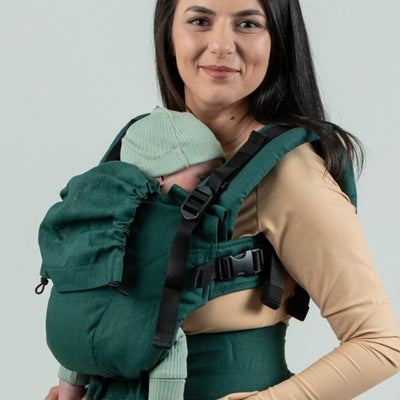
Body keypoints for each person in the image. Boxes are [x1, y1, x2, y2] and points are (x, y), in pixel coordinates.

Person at [46, 0, 400, 399]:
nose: (220, 45)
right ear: (169, 33)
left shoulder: (288, 172)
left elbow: (380, 344)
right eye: (199, 20)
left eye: (247, 24)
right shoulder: (141, 146)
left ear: (278, 39)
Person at [52, 106, 225, 400]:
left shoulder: (98, 205)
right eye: (203, 178)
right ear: (160, 177)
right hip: (128, 338)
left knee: (79, 323)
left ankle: (68, 396)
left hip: (66, 335)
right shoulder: (169, 217)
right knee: (167, 339)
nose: (211, 188)